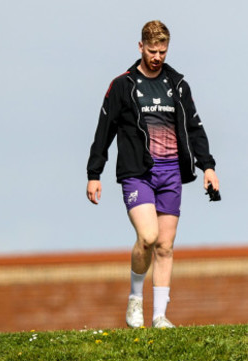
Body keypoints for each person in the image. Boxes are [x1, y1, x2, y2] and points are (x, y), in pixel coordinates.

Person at [85, 20, 220, 328]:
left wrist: (208, 166)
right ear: (140, 47)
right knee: (148, 237)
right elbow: (104, 130)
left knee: (166, 245)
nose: (157, 56)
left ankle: (159, 316)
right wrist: (95, 173)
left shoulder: (178, 84)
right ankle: (135, 300)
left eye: (162, 51)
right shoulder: (123, 85)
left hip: (171, 172)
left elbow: (195, 128)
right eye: (152, 50)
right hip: (137, 172)